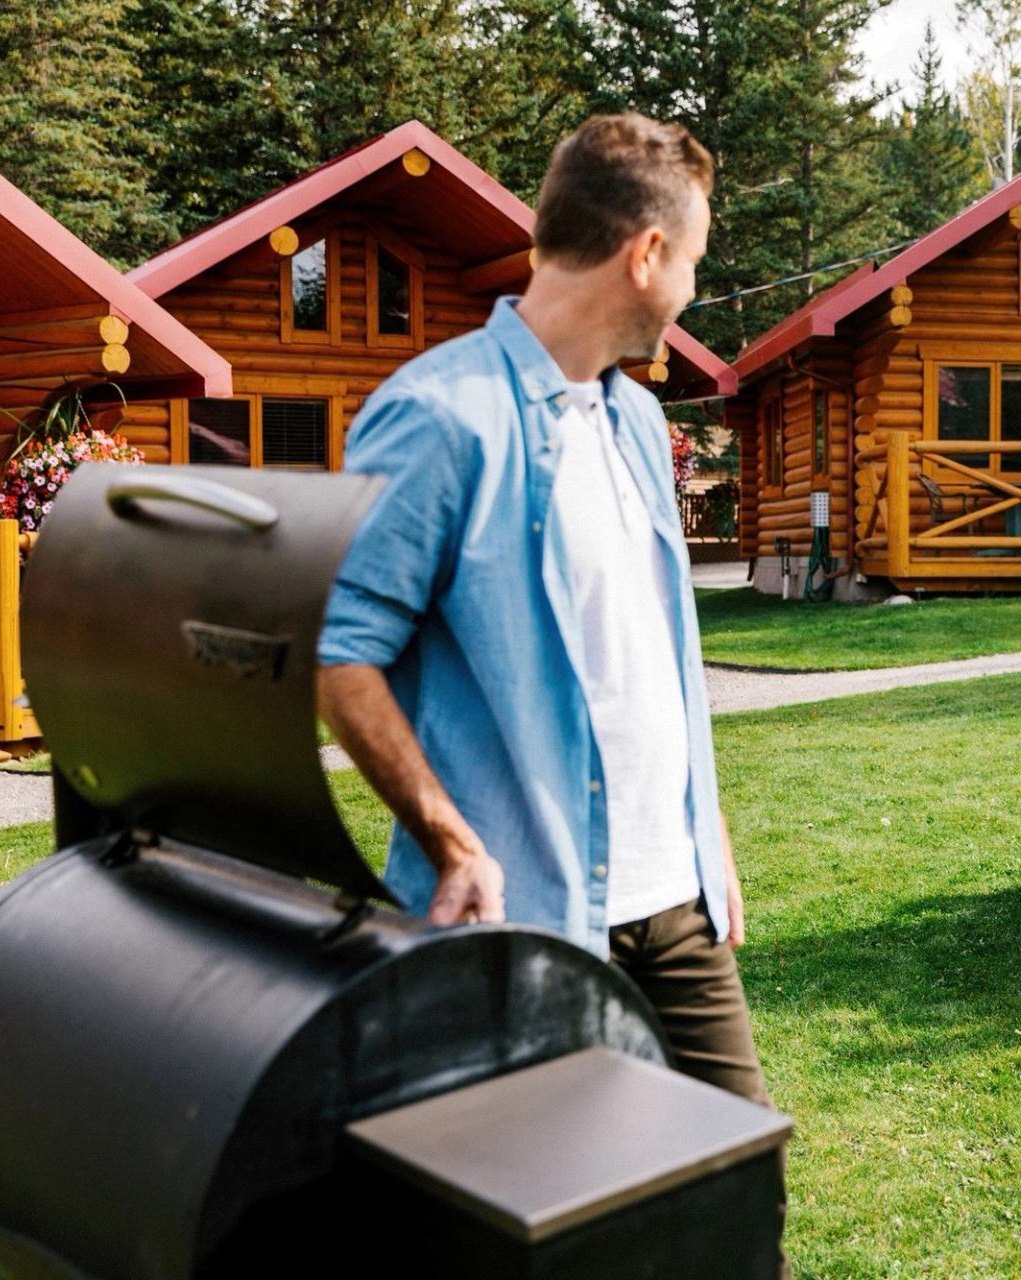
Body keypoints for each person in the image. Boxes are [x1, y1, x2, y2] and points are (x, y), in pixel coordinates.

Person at [315, 114, 786, 1263]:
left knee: (740, 1198)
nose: (693, 284)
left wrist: (705, 819)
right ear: (646, 255)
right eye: (696, 256)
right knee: (558, 1234)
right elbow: (340, 652)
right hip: (524, 918)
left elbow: (654, 650)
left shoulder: (633, 418)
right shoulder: (436, 415)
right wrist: (448, 832)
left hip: (674, 905)